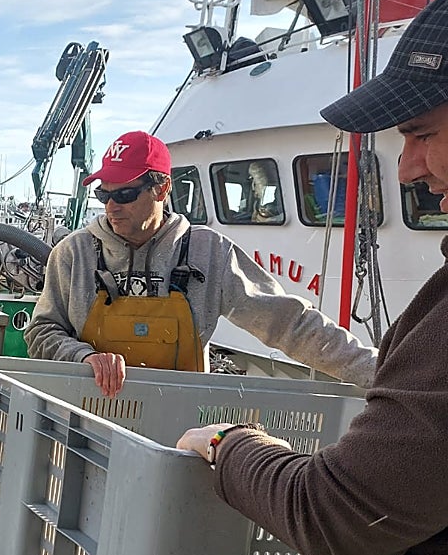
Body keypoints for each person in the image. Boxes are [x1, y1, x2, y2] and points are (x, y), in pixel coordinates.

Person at [177, 0, 448, 555]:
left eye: (421, 133)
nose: (409, 167)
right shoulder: (77, 253)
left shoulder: (203, 248)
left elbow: (334, 513)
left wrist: (230, 443)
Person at [23, 130, 376, 396]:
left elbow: (289, 325)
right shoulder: (74, 253)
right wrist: (83, 357)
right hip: (88, 414)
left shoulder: (210, 253)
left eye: (125, 194)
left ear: (162, 190)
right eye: (104, 194)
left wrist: (379, 372)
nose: (111, 206)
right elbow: (41, 332)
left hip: (179, 421)